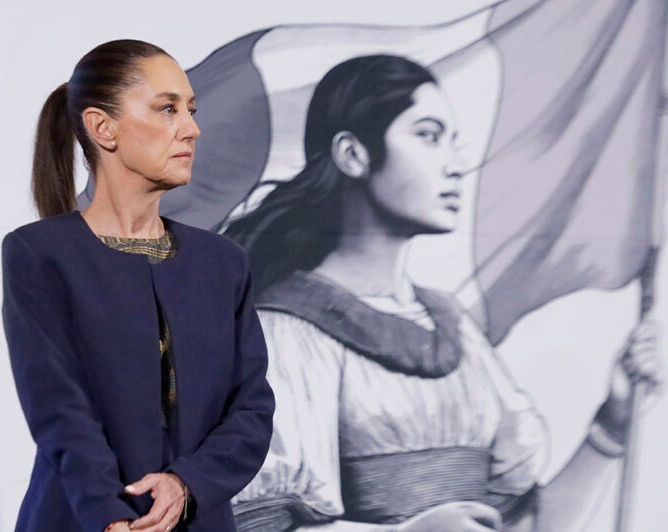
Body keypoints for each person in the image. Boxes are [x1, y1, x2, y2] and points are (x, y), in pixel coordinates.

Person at [224, 55, 662, 531]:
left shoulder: (454, 329)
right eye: (429, 136)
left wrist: (612, 424)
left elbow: (528, 525)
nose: (455, 165)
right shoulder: (287, 333)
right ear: (353, 154)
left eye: (454, 142)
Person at [0, 40, 275, 532]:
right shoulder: (40, 253)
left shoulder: (223, 263)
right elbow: (59, 407)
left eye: (190, 110)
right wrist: (109, 515)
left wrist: (186, 484)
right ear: (102, 128)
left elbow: (251, 409)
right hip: (79, 519)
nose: (191, 129)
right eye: (167, 109)